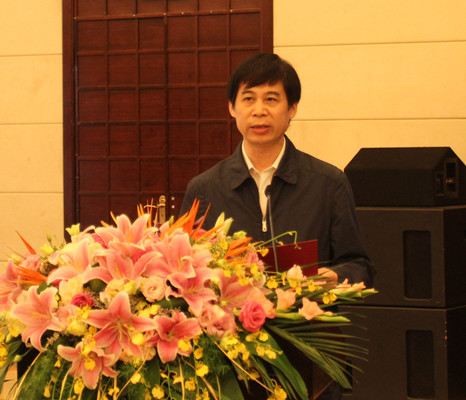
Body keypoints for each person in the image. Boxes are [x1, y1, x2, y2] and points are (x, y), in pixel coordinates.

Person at [180, 53, 374, 400]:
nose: (259, 111)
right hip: (230, 365)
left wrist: (331, 277)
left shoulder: (328, 183)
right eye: (248, 99)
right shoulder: (205, 189)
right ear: (232, 108)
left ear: (292, 108)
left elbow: (360, 266)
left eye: (271, 99)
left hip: (311, 360)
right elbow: (184, 276)